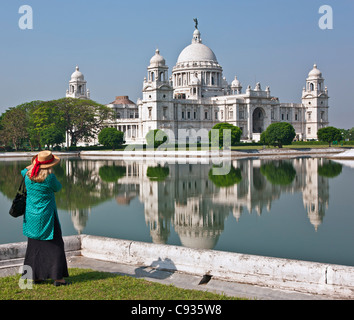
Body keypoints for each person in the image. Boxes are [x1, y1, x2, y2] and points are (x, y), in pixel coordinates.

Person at [21, 150, 70, 286]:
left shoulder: (26, 175)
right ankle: (58, 278)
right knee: (56, 245)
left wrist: (34, 165)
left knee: (34, 245)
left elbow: (23, 170)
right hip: (47, 216)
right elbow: (58, 188)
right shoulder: (50, 178)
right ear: (49, 165)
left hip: (31, 215)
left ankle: (35, 276)